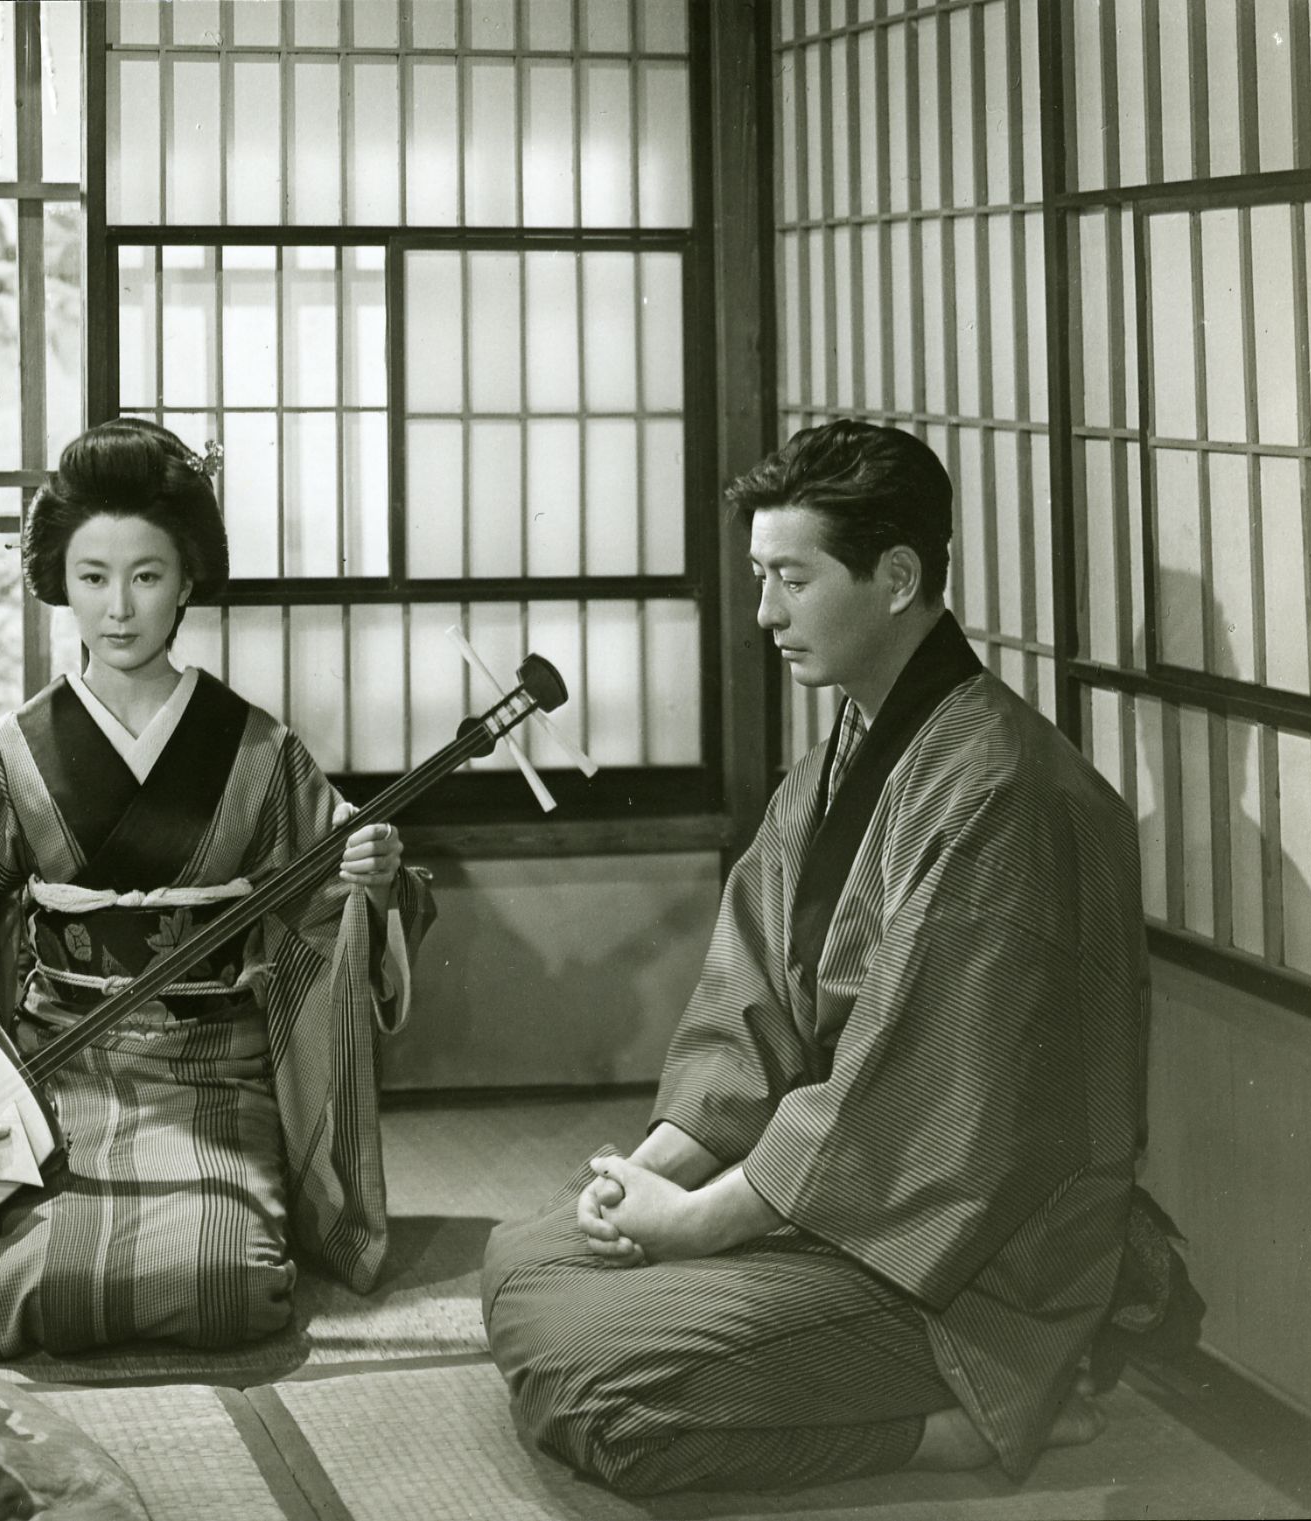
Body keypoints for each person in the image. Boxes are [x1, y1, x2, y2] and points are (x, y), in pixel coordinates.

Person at [481, 420, 1151, 1493]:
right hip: (833, 1196)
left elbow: (918, 1099)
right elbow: (746, 1004)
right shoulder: (841, 753)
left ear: (897, 578)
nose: (764, 613)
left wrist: (696, 1224)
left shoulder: (1004, 792)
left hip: (961, 1259)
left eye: (791, 579)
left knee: (601, 1388)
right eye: (760, 576)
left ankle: (964, 1422)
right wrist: (650, 1181)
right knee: (524, 1257)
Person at [0, 418, 433, 1358]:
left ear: (186, 582)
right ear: (60, 582)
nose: (118, 609)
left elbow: (328, 902)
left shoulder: (256, 747)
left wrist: (369, 881)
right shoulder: (11, 753)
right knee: (42, 1290)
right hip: (61, 1070)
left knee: (227, 1283)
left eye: (146, 576)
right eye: (92, 578)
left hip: (213, 1072)